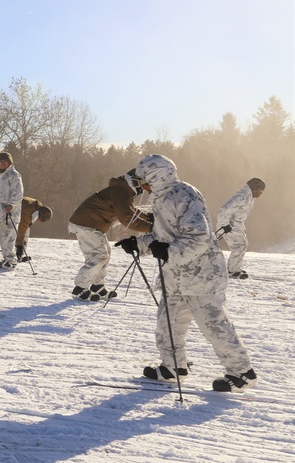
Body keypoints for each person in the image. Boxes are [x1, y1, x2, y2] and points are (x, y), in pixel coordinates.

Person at [115, 154, 257, 392]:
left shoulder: (183, 194)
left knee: (213, 325)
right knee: (167, 324)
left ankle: (242, 372)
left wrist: (169, 252)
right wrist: (139, 244)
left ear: (157, 176)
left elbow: (199, 237)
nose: (142, 186)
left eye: (145, 180)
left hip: (201, 275)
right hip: (176, 276)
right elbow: (164, 238)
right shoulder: (161, 199)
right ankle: (173, 368)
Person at [68, 170, 153, 301]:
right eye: (145, 184)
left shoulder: (123, 190)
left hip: (91, 224)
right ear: (136, 181)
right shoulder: (121, 191)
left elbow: (130, 210)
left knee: (105, 253)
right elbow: (127, 217)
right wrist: (151, 227)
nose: (146, 189)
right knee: (99, 255)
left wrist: (147, 217)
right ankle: (79, 289)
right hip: (86, 223)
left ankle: (97, 287)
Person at [217, 177, 266, 279]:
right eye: (260, 191)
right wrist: (225, 225)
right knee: (240, 246)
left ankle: (234, 269)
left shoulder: (249, 196)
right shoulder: (242, 197)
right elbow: (225, 209)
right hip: (228, 226)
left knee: (241, 245)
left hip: (234, 226)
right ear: (255, 188)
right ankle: (233, 271)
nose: (261, 193)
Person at [15, 196, 53, 262]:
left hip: (19, 211)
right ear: (40, 214)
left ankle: (21, 253)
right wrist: (19, 246)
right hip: (11, 213)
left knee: (26, 230)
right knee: (22, 232)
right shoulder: (28, 212)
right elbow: (22, 229)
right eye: (39, 219)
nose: (38, 220)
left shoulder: (37, 206)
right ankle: (17, 254)